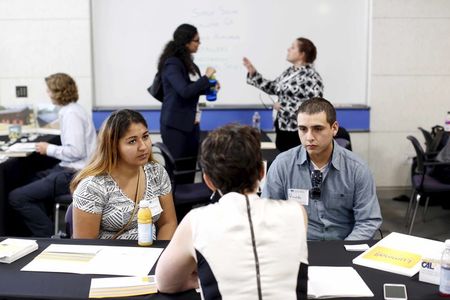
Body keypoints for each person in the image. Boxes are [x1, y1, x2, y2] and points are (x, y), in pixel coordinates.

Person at [156, 124, 308, 299]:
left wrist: (201, 279)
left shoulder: (196, 221)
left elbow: (166, 283)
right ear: (262, 172)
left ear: (208, 181)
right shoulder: (297, 213)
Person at [262, 97, 382, 240]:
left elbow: (368, 221)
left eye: (317, 129)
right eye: (303, 129)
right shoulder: (282, 165)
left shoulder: (357, 169)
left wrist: (343, 251)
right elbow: (268, 214)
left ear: (334, 128)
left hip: (342, 246)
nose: (309, 137)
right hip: (298, 246)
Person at [8, 73, 97, 237]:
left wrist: (48, 148)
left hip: (73, 173)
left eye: (49, 91)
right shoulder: (74, 109)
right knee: (29, 180)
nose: (48, 94)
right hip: (70, 168)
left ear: (58, 92)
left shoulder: (71, 114)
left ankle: (48, 238)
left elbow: (76, 151)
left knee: (17, 197)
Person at [70, 109, 177, 240]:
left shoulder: (156, 172)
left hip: (151, 255)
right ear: (113, 146)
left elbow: (168, 223)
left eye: (145, 136)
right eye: (132, 141)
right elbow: (85, 247)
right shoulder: (92, 187)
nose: (143, 147)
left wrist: (160, 257)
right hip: (109, 258)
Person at [158, 23, 217, 183]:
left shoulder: (190, 64)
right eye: (196, 40)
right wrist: (206, 77)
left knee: (190, 170)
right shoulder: (172, 64)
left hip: (191, 125)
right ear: (186, 42)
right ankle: (176, 206)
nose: (199, 44)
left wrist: (210, 87)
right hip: (175, 126)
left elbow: (193, 90)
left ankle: (188, 205)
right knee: (177, 171)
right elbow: (184, 91)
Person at [243, 37, 323, 152]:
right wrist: (253, 73)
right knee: (282, 164)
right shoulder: (290, 72)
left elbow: (314, 108)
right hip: (282, 127)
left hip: (298, 132)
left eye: (293, 47)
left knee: (294, 166)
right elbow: (273, 87)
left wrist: (284, 108)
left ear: (302, 54)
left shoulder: (312, 77)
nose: (288, 49)